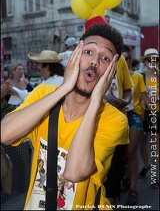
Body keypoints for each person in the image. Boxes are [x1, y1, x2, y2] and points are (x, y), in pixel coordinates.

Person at [1, 23, 129, 210]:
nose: (94, 61)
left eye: (105, 58)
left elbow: (75, 172)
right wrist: (64, 88)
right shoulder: (45, 92)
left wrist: (95, 101)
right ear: (75, 55)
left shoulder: (114, 119)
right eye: (88, 52)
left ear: (111, 73)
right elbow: (4, 133)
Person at [84, 17, 133, 205]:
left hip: (116, 127)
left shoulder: (119, 61)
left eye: (105, 56)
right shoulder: (82, 60)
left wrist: (124, 102)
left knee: (111, 179)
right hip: (89, 127)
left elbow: (128, 89)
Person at [121, 48, 151, 205]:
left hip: (134, 116)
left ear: (130, 60)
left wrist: (152, 110)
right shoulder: (115, 76)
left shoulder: (138, 77)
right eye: (121, 58)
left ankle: (133, 189)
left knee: (131, 151)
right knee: (123, 153)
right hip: (119, 116)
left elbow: (145, 96)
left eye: (126, 58)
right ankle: (126, 178)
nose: (124, 61)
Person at [138, 48, 159, 189]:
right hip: (142, 114)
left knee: (155, 146)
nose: (153, 62)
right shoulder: (141, 77)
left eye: (155, 59)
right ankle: (146, 165)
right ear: (145, 62)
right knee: (142, 144)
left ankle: (154, 175)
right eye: (149, 59)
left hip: (157, 114)